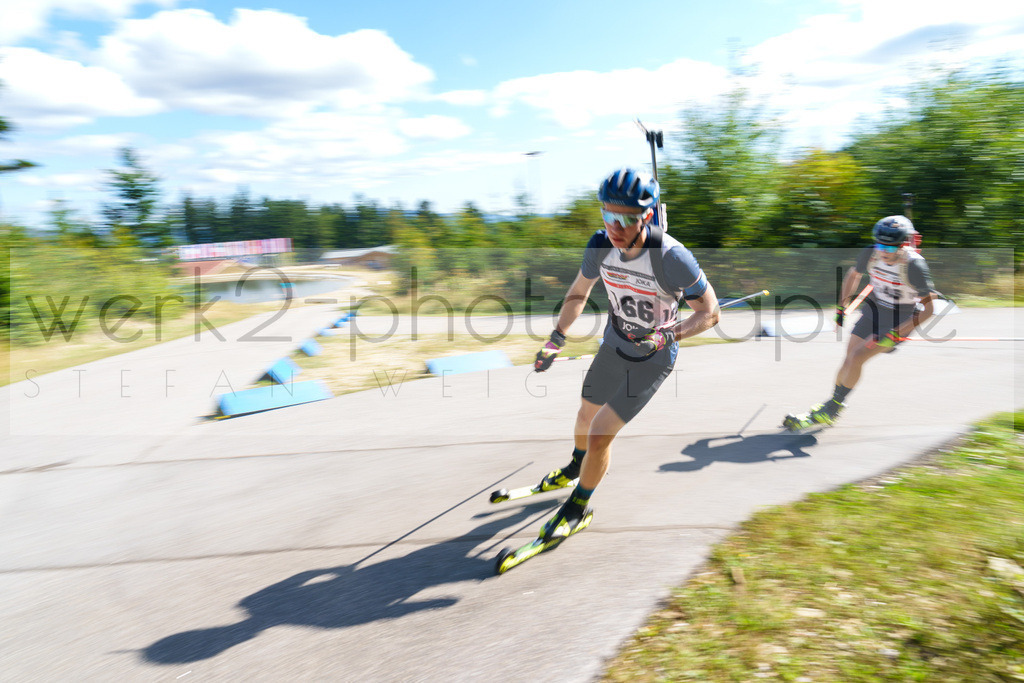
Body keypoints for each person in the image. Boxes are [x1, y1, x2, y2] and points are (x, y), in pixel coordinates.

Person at [531, 168, 720, 541]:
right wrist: (556, 339)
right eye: (607, 214)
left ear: (646, 216)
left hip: (653, 358)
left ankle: (576, 507)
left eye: (625, 219)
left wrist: (666, 336)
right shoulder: (601, 245)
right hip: (615, 344)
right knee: (586, 414)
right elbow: (577, 294)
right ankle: (575, 465)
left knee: (601, 433)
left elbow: (710, 313)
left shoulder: (671, 257)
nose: (614, 227)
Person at [785, 215, 937, 429]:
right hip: (874, 309)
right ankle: (832, 404)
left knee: (858, 356)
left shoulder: (914, 265)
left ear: (903, 245)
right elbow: (853, 275)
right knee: (849, 358)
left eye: (891, 249)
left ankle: (833, 408)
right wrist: (841, 308)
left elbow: (930, 308)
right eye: (880, 246)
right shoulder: (870, 253)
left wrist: (897, 332)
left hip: (900, 319)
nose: (884, 253)